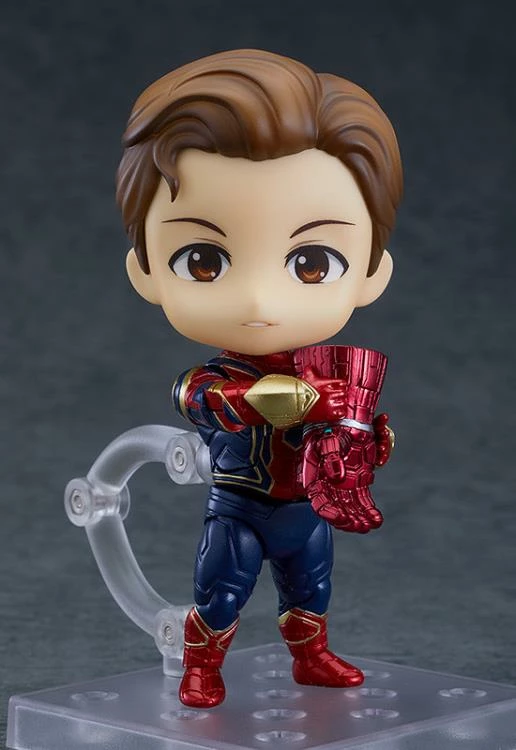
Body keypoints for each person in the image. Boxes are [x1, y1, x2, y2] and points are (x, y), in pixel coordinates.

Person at [117, 48, 403, 708]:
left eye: (311, 263)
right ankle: (201, 666)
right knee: (222, 590)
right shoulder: (212, 379)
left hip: (305, 506)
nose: (258, 300)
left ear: (372, 272)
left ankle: (311, 654)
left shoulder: (330, 374)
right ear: (146, 270)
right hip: (240, 506)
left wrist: (365, 440)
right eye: (204, 260)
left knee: (312, 587)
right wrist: (296, 399)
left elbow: (341, 437)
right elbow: (213, 401)